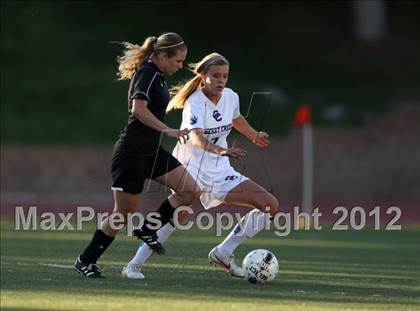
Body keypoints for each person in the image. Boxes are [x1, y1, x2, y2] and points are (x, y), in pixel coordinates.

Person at [121, 52, 280, 280]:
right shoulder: (194, 102)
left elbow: (236, 118)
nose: (221, 81)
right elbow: (196, 139)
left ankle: (223, 253)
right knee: (181, 214)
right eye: (216, 76)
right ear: (203, 76)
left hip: (219, 170)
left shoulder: (230, 97)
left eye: (225, 76)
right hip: (191, 166)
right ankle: (133, 266)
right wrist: (222, 150)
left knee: (269, 204)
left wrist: (254, 136)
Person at [74, 32, 201, 278]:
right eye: (177, 61)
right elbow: (138, 110)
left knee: (190, 190)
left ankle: (147, 228)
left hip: (151, 151)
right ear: (163, 56)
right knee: (122, 214)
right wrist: (167, 129)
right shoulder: (147, 72)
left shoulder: (159, 76)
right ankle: (85, 260)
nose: (180, 66)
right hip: (131, 152)